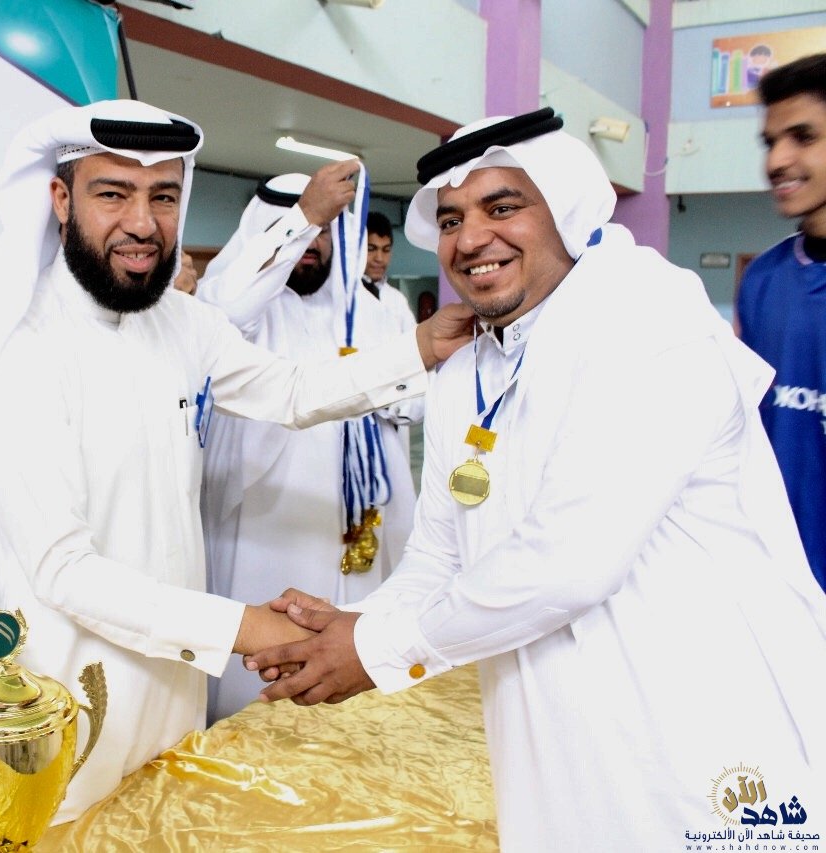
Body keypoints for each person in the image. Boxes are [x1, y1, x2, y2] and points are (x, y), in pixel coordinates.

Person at [248, 108, 826, 852]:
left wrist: (376, 648)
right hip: (550, 725)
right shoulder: (469, 367)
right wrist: (355, 624)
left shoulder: (649, 325)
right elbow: (440, 554)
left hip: (698, 723)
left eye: (502, 207)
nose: (470, 239)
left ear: (567, 209)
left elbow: (570, 562)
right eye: (451, 219)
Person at [0, 100, 475, 823]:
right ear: (60, 199)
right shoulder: (20, 350)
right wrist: (251, 629)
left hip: (174, 701)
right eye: (113, 193)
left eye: (163, 196)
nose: (143, 223)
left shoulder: (180, 322)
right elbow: (64, 569)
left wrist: (423, 346)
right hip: (62, 713)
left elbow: (290, 390)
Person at [196, 165, 422, 721]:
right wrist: (305, 217)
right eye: (301, 229)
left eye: (324, 232)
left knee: (356, 672)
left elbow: (417, 401)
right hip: (268, 521)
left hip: (361, 518)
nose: (312, 244)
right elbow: (224, 307)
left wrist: (384, 399)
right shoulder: (246, 312)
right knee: (262, 682)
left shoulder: (371, 311)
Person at [737, 52, 826, 594]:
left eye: (803, 137)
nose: (777, 160)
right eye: (770, 142)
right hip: (773, 587)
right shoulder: (763, 279)